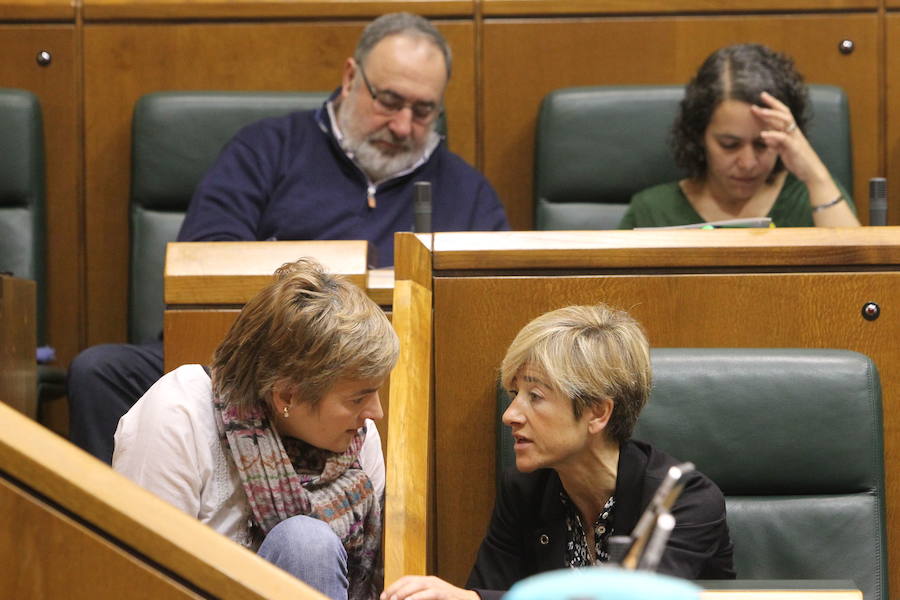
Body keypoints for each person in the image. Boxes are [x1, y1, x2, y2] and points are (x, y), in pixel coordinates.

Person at [68, 11, 510, 464]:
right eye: (389, 101)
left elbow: (488, 312)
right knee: (99, 372)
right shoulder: (265, 149)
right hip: (252, 364)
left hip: (389, 378)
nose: (402, 125)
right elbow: (208, 262)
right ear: (350, 77)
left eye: (422, 112)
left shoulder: (467, 191)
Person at [381, 304, 735, 600]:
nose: (510, 415)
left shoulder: (683, 501)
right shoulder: (525, 486)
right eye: (514, 394)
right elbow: (491, 587)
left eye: (534, 396)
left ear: (597, 412)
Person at [114, 258, 399, 600]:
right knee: (306, 543)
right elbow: (142, 580)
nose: (376, 413)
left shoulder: (357, 437)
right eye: (358, 399)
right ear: (286, 396)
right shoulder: (179, 414)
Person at [618, 44, 860, 229]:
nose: (748, 163)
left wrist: (814, 173)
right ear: (699, 135)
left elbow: (862, 286)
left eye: (763, 144)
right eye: (729, 145)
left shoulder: (815, 197)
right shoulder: (652, 210)